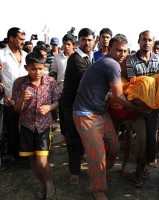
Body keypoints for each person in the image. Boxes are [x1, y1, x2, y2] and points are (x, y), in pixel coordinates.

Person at [73, 35, 148, 200]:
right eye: (118, 50)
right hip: (86, 115)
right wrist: (138, 108)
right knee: (97, 154)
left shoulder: (110, 63)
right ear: (110, 49)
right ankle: (98, 189)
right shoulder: (111, 64)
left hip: (99, 113)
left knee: (113, 146)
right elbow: (119, 97)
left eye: (124, 51)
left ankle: (101, 174)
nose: (121, 53)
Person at [12, 51, 60, 199]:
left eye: (41, 68)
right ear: (26, 68)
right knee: (31, 159)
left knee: (41, 160)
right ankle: (44, 184)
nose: (38, 72)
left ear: (44, 67)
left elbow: (57, 102)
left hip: (44, 126)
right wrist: (21, 99)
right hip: (26, 126)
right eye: (34, 69)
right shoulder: (19, 83)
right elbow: (16, 109)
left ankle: (49, 183)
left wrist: (49, 108)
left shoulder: (51, 82)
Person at [126, 30, 159, 186]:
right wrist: (144, 104)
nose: (146, 42)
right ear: (138, 41)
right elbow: (134, 86)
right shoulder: (131, 61)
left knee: (151, 138)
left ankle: (145, 164)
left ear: (153, 42)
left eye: (149, 40)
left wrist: (153, 103)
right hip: (137, 107)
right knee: (141, 138)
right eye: (143, 39)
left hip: (154, 108)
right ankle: (139, 171)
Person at [61, 28, 95, 185]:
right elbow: (89, 81)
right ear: (78, 42)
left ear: (94, 41)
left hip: (85, 105)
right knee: (73, 138)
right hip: (71, 105)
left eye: (89, 39)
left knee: (83, 137)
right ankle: (74, 172)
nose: (86, 42)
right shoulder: (75, 59)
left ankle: (81, 159)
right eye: (83, 39)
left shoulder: (91, 57)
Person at [0, 27, 28, 164]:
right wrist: (3, 95)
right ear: (11, 38)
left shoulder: (26, 55)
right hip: (9, 100)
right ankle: (16, 156)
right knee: (12, 129)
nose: (23, 42)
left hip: (26, 100)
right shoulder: (1, 55)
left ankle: (26, 155)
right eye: (21, 39)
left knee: (26, 129)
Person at [51, 34, 76, 138]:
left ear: (73, 45)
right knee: (63, 114)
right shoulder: (57, 58)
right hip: (61, 91)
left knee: (74, 114)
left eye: (69, 44)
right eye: (65, 44)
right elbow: (54, 73)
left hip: (75, 90)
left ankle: (74, 136)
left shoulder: (78, 57)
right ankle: (65, 136)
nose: (66, 46)